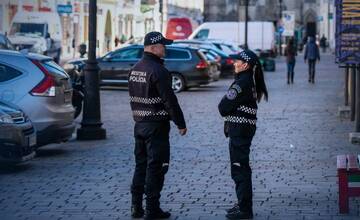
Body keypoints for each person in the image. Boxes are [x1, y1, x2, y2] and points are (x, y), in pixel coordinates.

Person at [128, 31, 187, 220]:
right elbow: (170, 100)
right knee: (157, 167)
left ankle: (136, 207)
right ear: (153, 48)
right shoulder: (158, 70)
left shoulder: (136, 68)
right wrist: (180, 123)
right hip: (156, 127)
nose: (166, 48)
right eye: (163, 45)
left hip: (139, 125)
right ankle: (152, 210)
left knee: (141, 166)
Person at [218, 50, 268, 220]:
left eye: (237, 61)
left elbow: (223, 107)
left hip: (240, 131)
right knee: (240, 167)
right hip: (243, 130)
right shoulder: (247, 81)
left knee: (240, 169)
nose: (234, 63)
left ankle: (245, 209)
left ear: (245, 65)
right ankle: (242, 203)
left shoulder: (241, 84)